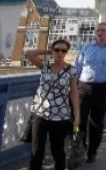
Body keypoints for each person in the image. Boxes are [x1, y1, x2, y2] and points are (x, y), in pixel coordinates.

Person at [73, 22, 106, 164]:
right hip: (83, 87)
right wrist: (70, 82)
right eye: (97, 31)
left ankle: (92, 151)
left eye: (103, 30)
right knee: (78, 120)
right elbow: (76, 66)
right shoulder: (87, 47)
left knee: (97, 122)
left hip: (103, 88)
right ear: (94, 32)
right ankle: (79, 149)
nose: (100, 33)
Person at [24, 40, 81, 170]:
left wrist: (77, 115)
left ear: (67, 53)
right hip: (40, 113)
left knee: (57, 150)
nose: (60, 53)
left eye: (63, 50)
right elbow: (29, 54)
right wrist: (48, 50)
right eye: (57, 50)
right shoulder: (45, 66)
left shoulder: (71, 70)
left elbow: (74, 93)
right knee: (36, 150)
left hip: (60, 116)